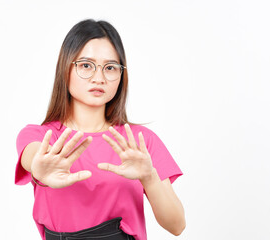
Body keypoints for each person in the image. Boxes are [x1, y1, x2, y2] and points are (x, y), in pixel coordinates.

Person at [15, 19, 185, 240]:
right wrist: (40, 169)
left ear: (121, 75)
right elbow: (35, 156)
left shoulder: (139, 142)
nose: (99, 78)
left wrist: (149, 177)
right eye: (86, 65)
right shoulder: (43, 137)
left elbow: (177, 225)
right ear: (66, 68)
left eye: (110, 68)